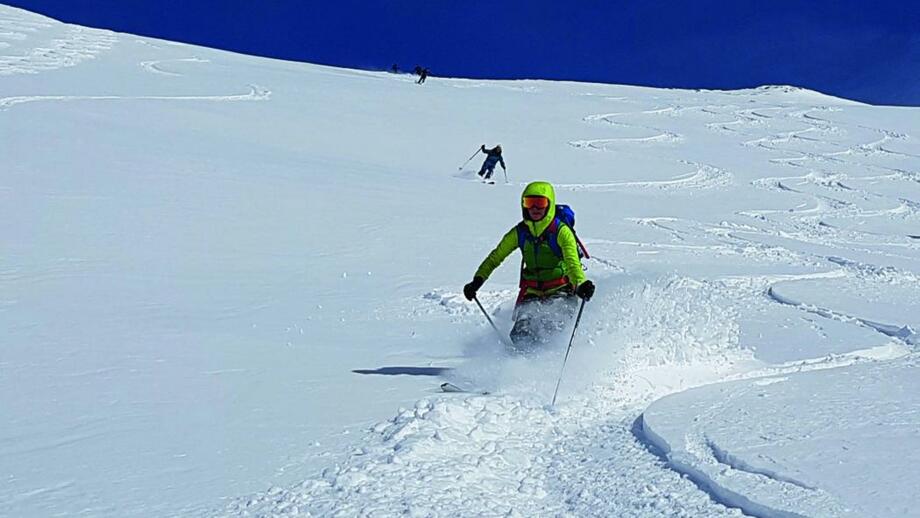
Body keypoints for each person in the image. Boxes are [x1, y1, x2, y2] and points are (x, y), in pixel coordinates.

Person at [462, 181, 595, 348]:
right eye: (529, 203)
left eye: (540, 203)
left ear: (550, 204)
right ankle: (523, 367)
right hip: (532, 291)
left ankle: (550, 365)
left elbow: (572, 262)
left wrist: (581, 284)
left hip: (561, 290)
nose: (535, 209)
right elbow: (496, 257)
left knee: (552, 329)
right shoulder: (520, 232)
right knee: (521, 334)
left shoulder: (561, 232)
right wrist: (477, 280)